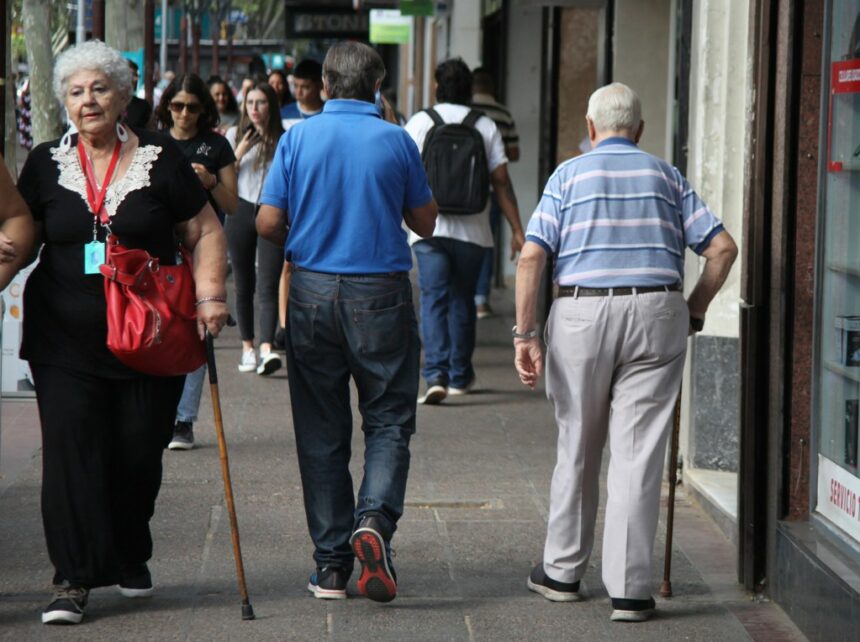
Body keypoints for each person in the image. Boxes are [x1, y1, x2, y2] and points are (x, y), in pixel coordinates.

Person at [0, 40, 228, 625]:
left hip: (148, 337)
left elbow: (203, 230)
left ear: (123, 95)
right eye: (75, 92)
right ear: (64, 105)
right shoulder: (47, 162)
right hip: (64, 338)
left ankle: (130, 547)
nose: (88, 100)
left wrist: (210, 297)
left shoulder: (161, 157)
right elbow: (21, 229)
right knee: (71, 453)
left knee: (137, 453)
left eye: (99, 88)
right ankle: (72, 578)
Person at [514, 83, 738, 622]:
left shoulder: (568, 175)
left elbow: (530, 258)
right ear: (639, 131)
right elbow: (722, 248)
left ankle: (562, 573)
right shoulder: (666, 174)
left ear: (591, 130)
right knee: (638, 455)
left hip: (582, 314)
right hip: (658, 310)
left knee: (579, 442)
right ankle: (631, 592)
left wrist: (526, 335)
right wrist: (694, 309)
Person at [256, 41, 437, 603]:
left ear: (327, 86)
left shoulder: (298, 137)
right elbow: (426, 223)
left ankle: (331, 566)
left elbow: (266, 222)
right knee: (387, 419)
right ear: (377, 88)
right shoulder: (396, 139)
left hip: (310, 290)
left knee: (320, 428)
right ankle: (374, 522)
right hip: (380, 294)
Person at [404, 58, 525, 405]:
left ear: (437, 87)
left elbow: (404, 173)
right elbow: (501, 181)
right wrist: (517, 229)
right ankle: (459, 376)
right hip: (474, 231)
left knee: (433, 299)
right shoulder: (484, 125)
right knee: (462, 301)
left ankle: (435, 375)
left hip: (430, 229)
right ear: (470, 89)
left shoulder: (421, 122)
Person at [156, 73, 238, 450]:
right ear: (167, 107)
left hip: (202, 252)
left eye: (192, 107)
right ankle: (156, 410)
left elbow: (232, 204)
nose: (184, 114)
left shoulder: (216, 147)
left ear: (203, 110)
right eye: (177, 106)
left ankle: (183, 420)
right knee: (157, 326)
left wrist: (209, 181)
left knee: (198, 330)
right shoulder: (152, 144)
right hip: (158, 250)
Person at [224, 81, 285, 375]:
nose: (255, 109)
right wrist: (240, 150)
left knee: (269, 282)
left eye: (261, 102)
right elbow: (222, 178)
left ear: (271, 106)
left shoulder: (283, 139)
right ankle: (247, 346)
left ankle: (266, 347)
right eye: (250, 103)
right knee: (244, 282)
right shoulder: (235, 134)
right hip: (241, 209)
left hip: (271, 212)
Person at [471, 67, 520, 319]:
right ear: (492, 87)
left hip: (459, 191)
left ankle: (463, 293)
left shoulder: (465, 110)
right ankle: (480, 299)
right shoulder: (502, 114)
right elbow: (514, 153)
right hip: (491, 190)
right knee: (486, 242)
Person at [280, 59, 323, 123]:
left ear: (320, 86)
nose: (298, 92)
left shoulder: (330, 113)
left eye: (305, 87)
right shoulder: (283, 114)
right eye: (296, 86)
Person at [124, 60, 152, 129]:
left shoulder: (143, 106)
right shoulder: (109, 103)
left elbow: (150, 132)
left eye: (137, 75)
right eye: (132, 75)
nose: (136, 79)